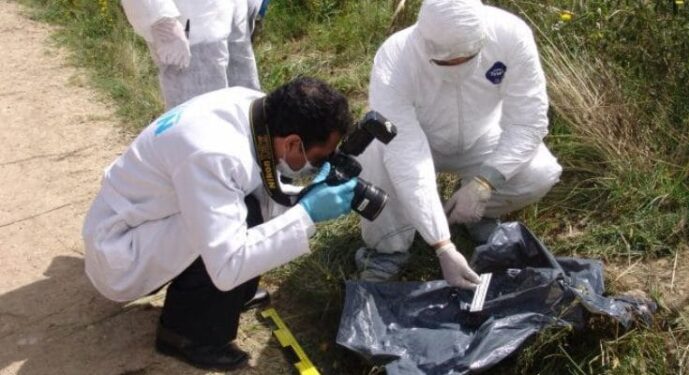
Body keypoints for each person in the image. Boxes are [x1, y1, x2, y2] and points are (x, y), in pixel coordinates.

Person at [82, 77, 357, 370]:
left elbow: (260, 183)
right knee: (244, 222)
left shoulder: (254, 109)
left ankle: (233, 298)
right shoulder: (213, 154)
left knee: (247, 210)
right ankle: (186, 334)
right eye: (317, 159)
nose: (315, 166)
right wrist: (308, 213)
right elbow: (228, 264)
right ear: (292, 142)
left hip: (150, 216)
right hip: (121, 249)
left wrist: (305, 194)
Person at [355, 0, 563, 289]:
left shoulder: (511, 35)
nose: (455, 69)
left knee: (541, 172)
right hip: (421, 140)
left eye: (466, 59)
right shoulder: (395, 58)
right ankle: (388, 248)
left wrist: (483, 184)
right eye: (444, 63)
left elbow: (528, 122)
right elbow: (406, 153)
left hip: (483, 137)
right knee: (373, 151)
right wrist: (442, 246)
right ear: (424, 43)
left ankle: (475, 211)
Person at [121, 0, 264, 109]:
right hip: (189, 30)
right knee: (199, 117)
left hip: (231, 14)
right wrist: (161, 20)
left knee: (246, 110)